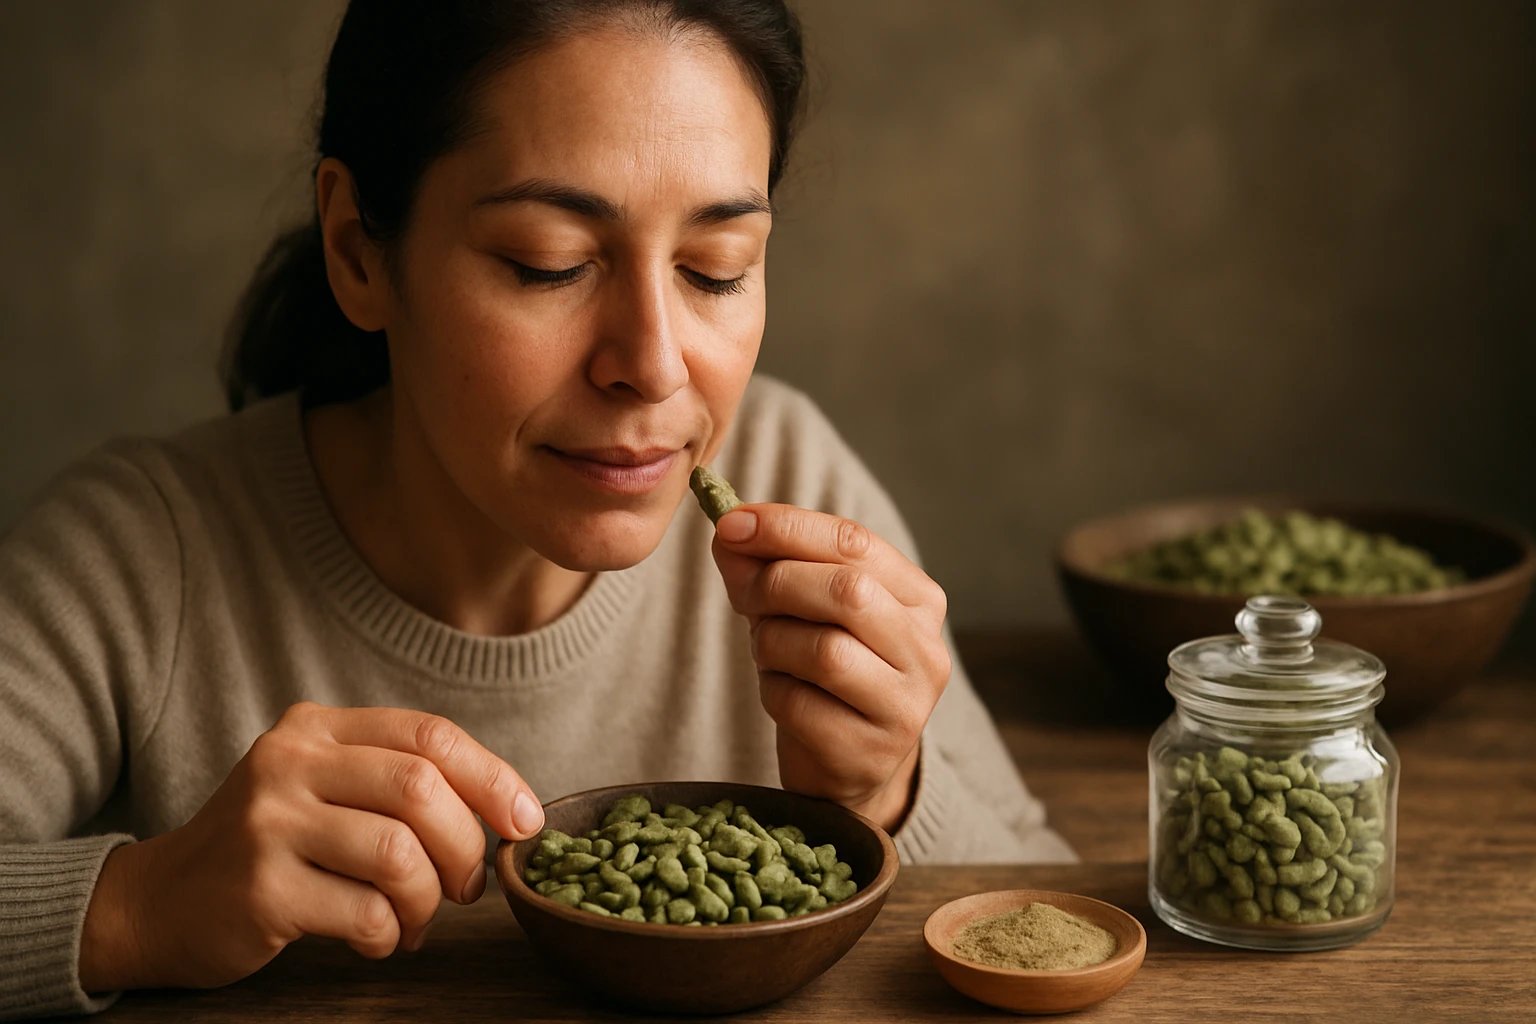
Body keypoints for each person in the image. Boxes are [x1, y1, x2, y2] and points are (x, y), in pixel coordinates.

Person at [0, 1, 1072, 1017]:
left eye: (716, 268)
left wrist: (888, 794)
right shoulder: (143, 554)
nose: (653, 368)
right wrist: (136, 907)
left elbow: (1060, 915)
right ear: (357, 250)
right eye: (547, 264)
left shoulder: (797, 472)